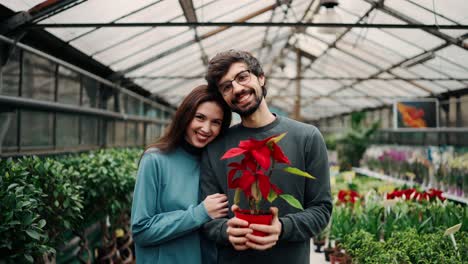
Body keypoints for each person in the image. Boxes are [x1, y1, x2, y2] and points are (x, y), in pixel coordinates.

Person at [200, 50, 332, 264]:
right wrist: (226, 230)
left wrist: (282, 227)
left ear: (261, 77)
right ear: (223, 98)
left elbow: (321, 209)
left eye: (242, 77)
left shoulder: (307, 137)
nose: (237, 89)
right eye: (226, 87)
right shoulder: (216, 147)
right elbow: (206, 218)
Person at [131, 85, 232, 264]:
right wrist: (200, 213)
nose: (206, 128)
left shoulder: (215, 164)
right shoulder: (155, 160)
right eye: (200, 117)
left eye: (215, 122)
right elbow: (141, 231)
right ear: (185, 116)